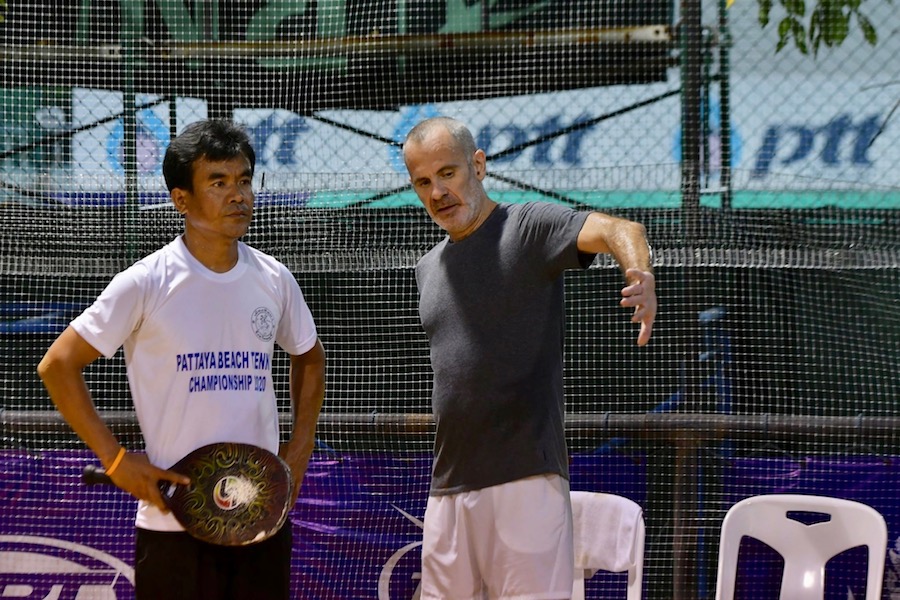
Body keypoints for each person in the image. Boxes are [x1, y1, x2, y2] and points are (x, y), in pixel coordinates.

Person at [37, 119, 326, 600]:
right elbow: (57, 365)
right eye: (218, 182)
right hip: (173, 524)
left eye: (244, 180)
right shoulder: (146, 282)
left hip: (261, 521)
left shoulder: (275, 279)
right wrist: (114, 459)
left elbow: (310, 357)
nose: (238, 195)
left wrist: (299, 448)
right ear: (181, 200)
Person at [402, 116, 657, 600]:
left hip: (525, 480)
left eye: (448, 173)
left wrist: (639, 272)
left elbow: (621, 229)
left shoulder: (527, 226)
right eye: (423, 182)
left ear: (478, 165)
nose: (437, 192)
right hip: (448, 488)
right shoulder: (427, 268)